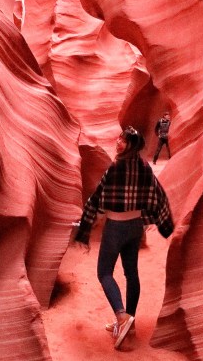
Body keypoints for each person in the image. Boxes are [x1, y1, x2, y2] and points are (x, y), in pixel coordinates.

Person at [73, 126, 174, 350]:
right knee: (131, 273)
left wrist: (86, 225)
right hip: (135, 226)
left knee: (104, 272)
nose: (119, 141)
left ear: (131, 145)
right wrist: (162, 223)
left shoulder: (115, 168)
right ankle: (131, 324)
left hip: (116, 228)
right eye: (120, 138)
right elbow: (158, 196)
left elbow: (98, 198)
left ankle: (121, 316)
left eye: (124, 140)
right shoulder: (145, 168)